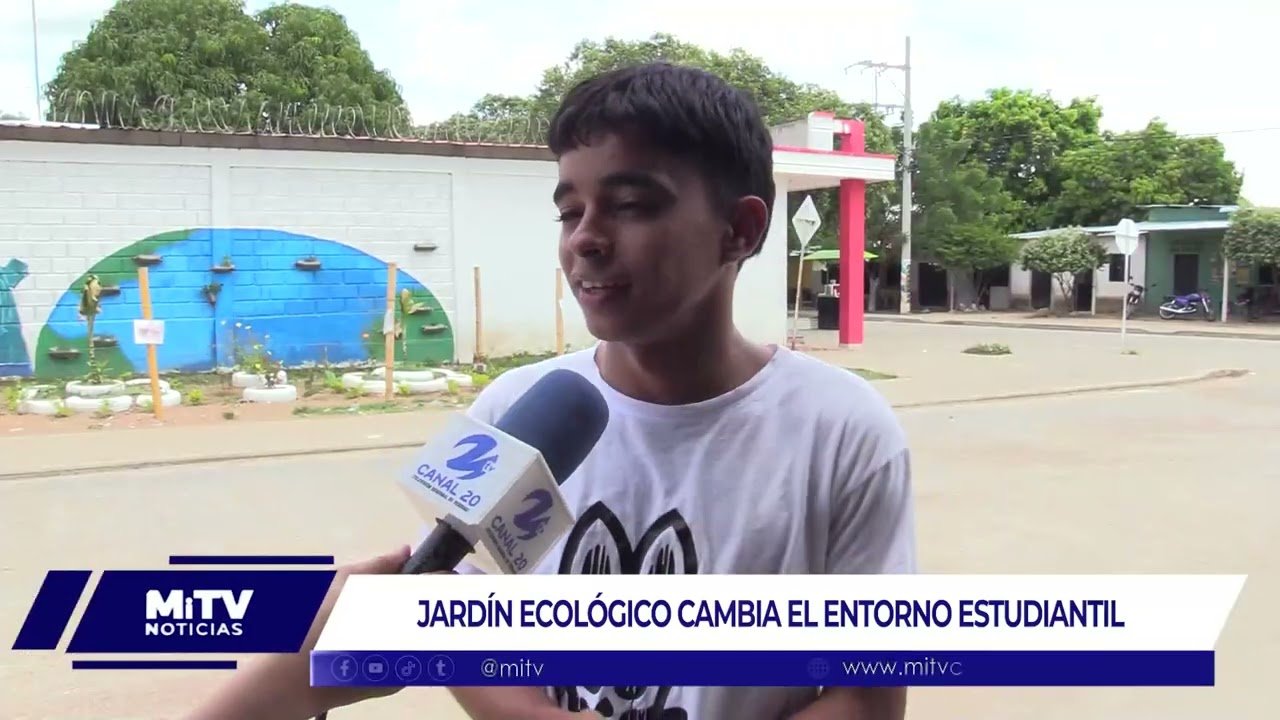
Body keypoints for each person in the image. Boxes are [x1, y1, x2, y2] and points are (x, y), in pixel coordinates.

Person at [447, 62, 916, 720]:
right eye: (569, 211)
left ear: (741, 230)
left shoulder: (841, 430)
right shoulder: (512, 412)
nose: (585, 238)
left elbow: (866, 693)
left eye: (631, 205)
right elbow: (450, 607)